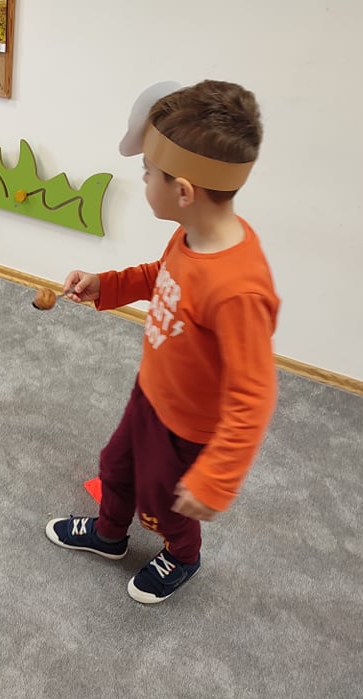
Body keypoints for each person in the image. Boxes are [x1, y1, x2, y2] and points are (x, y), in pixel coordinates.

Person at [45, 80, 279, 604]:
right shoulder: (191, 235)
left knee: (163, 503)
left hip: (187, 427)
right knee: (116, 465)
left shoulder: (239, 289)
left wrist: (215, 479)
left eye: (148, 172)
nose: (144, 178)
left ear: (184, 192)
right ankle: (109, 535)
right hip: (151, 393)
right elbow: (161, 276)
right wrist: (107, 285)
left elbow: (255, 394)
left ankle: (184, 554)